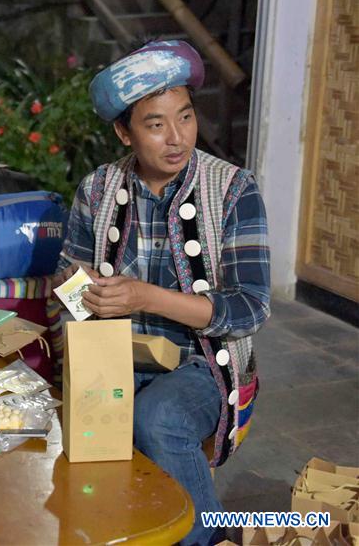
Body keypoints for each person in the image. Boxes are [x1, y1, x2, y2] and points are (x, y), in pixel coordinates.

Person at [55, 40, 270, 545]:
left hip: (204, 364)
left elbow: (251, 307)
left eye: (186, 117)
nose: (177, 139)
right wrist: (82, 312)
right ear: (124, 132)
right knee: (55, 425)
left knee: (159, 417)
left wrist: (144, 298)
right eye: (155, 124)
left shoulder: (235, 189)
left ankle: (209, 540)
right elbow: (68, 284)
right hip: (116, 357)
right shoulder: (97, 189)